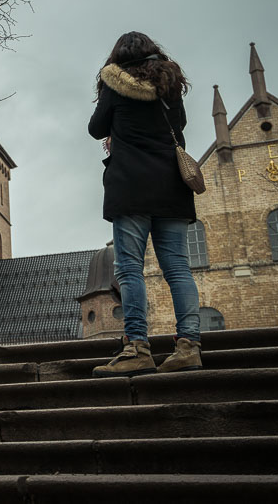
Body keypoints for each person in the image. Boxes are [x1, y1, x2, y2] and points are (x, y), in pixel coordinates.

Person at [88, 31, 202, 377]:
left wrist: (118, 126)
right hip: (170, 186)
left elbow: (96, 128)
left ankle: (137, 347)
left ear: (118, 57)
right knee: (178, 269)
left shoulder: (114, 84)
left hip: (131, 187)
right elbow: (179, 126)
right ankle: (189, 347)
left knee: (129, 269)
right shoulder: (169, 85)